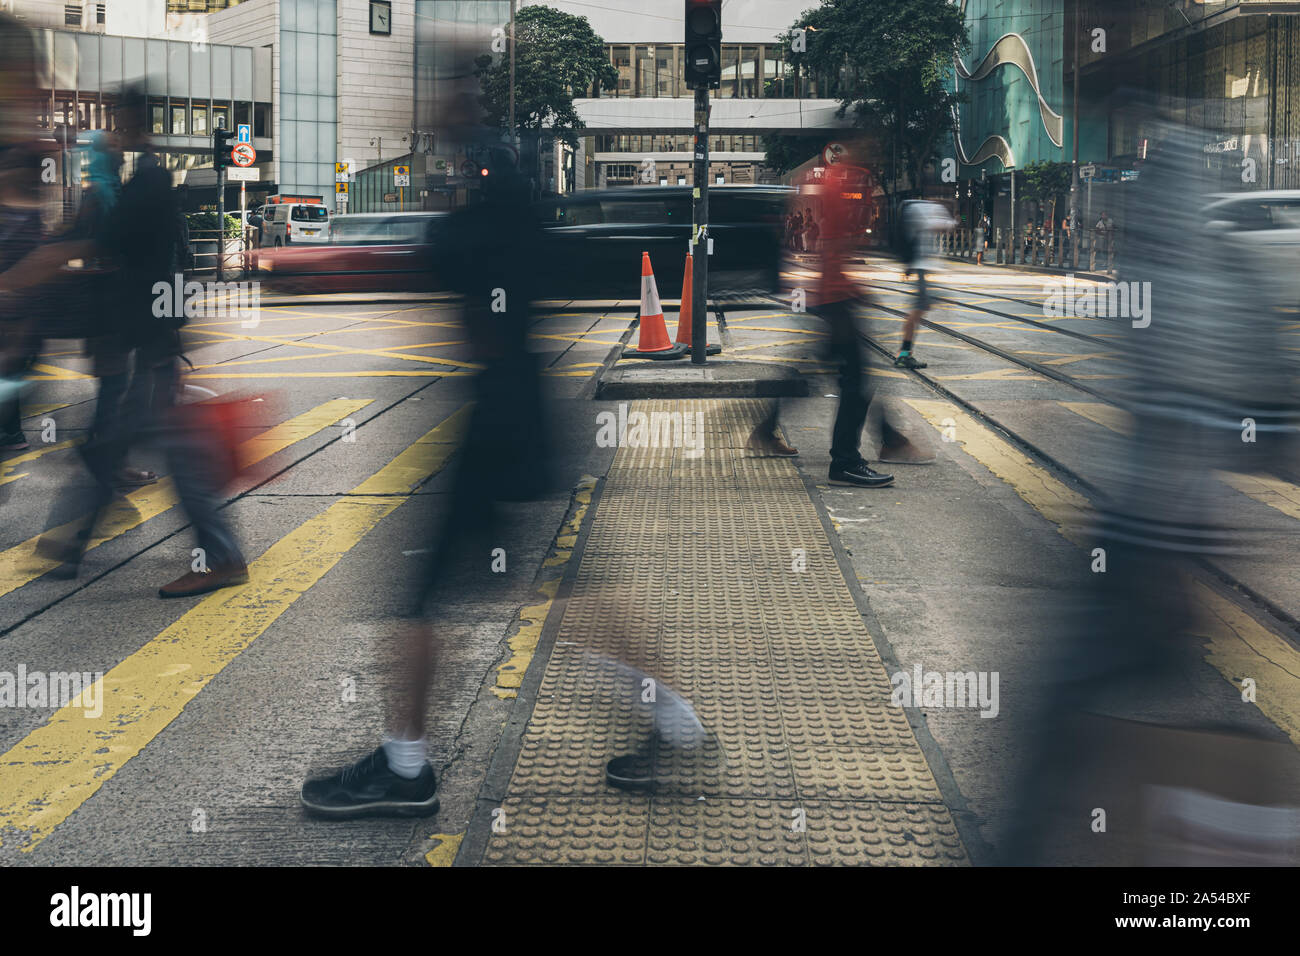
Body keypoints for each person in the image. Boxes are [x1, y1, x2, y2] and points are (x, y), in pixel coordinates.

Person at [300, 139, 555, 818]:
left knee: (425, 594)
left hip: (496, 418)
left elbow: (446, 257)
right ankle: (673, 717)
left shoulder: (483, 215)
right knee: (554, 592)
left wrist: (442, 202)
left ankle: (406, 767)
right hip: (512, 411)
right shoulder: (517, 203)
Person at [894, 198, 955, 370]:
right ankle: (904, 354)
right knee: (917, 311)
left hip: (922, 268)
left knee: (918, 311)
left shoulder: (915, 207)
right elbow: (937, 226)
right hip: (922, 269)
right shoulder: (923, 208)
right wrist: (952, 222)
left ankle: (905, 353)